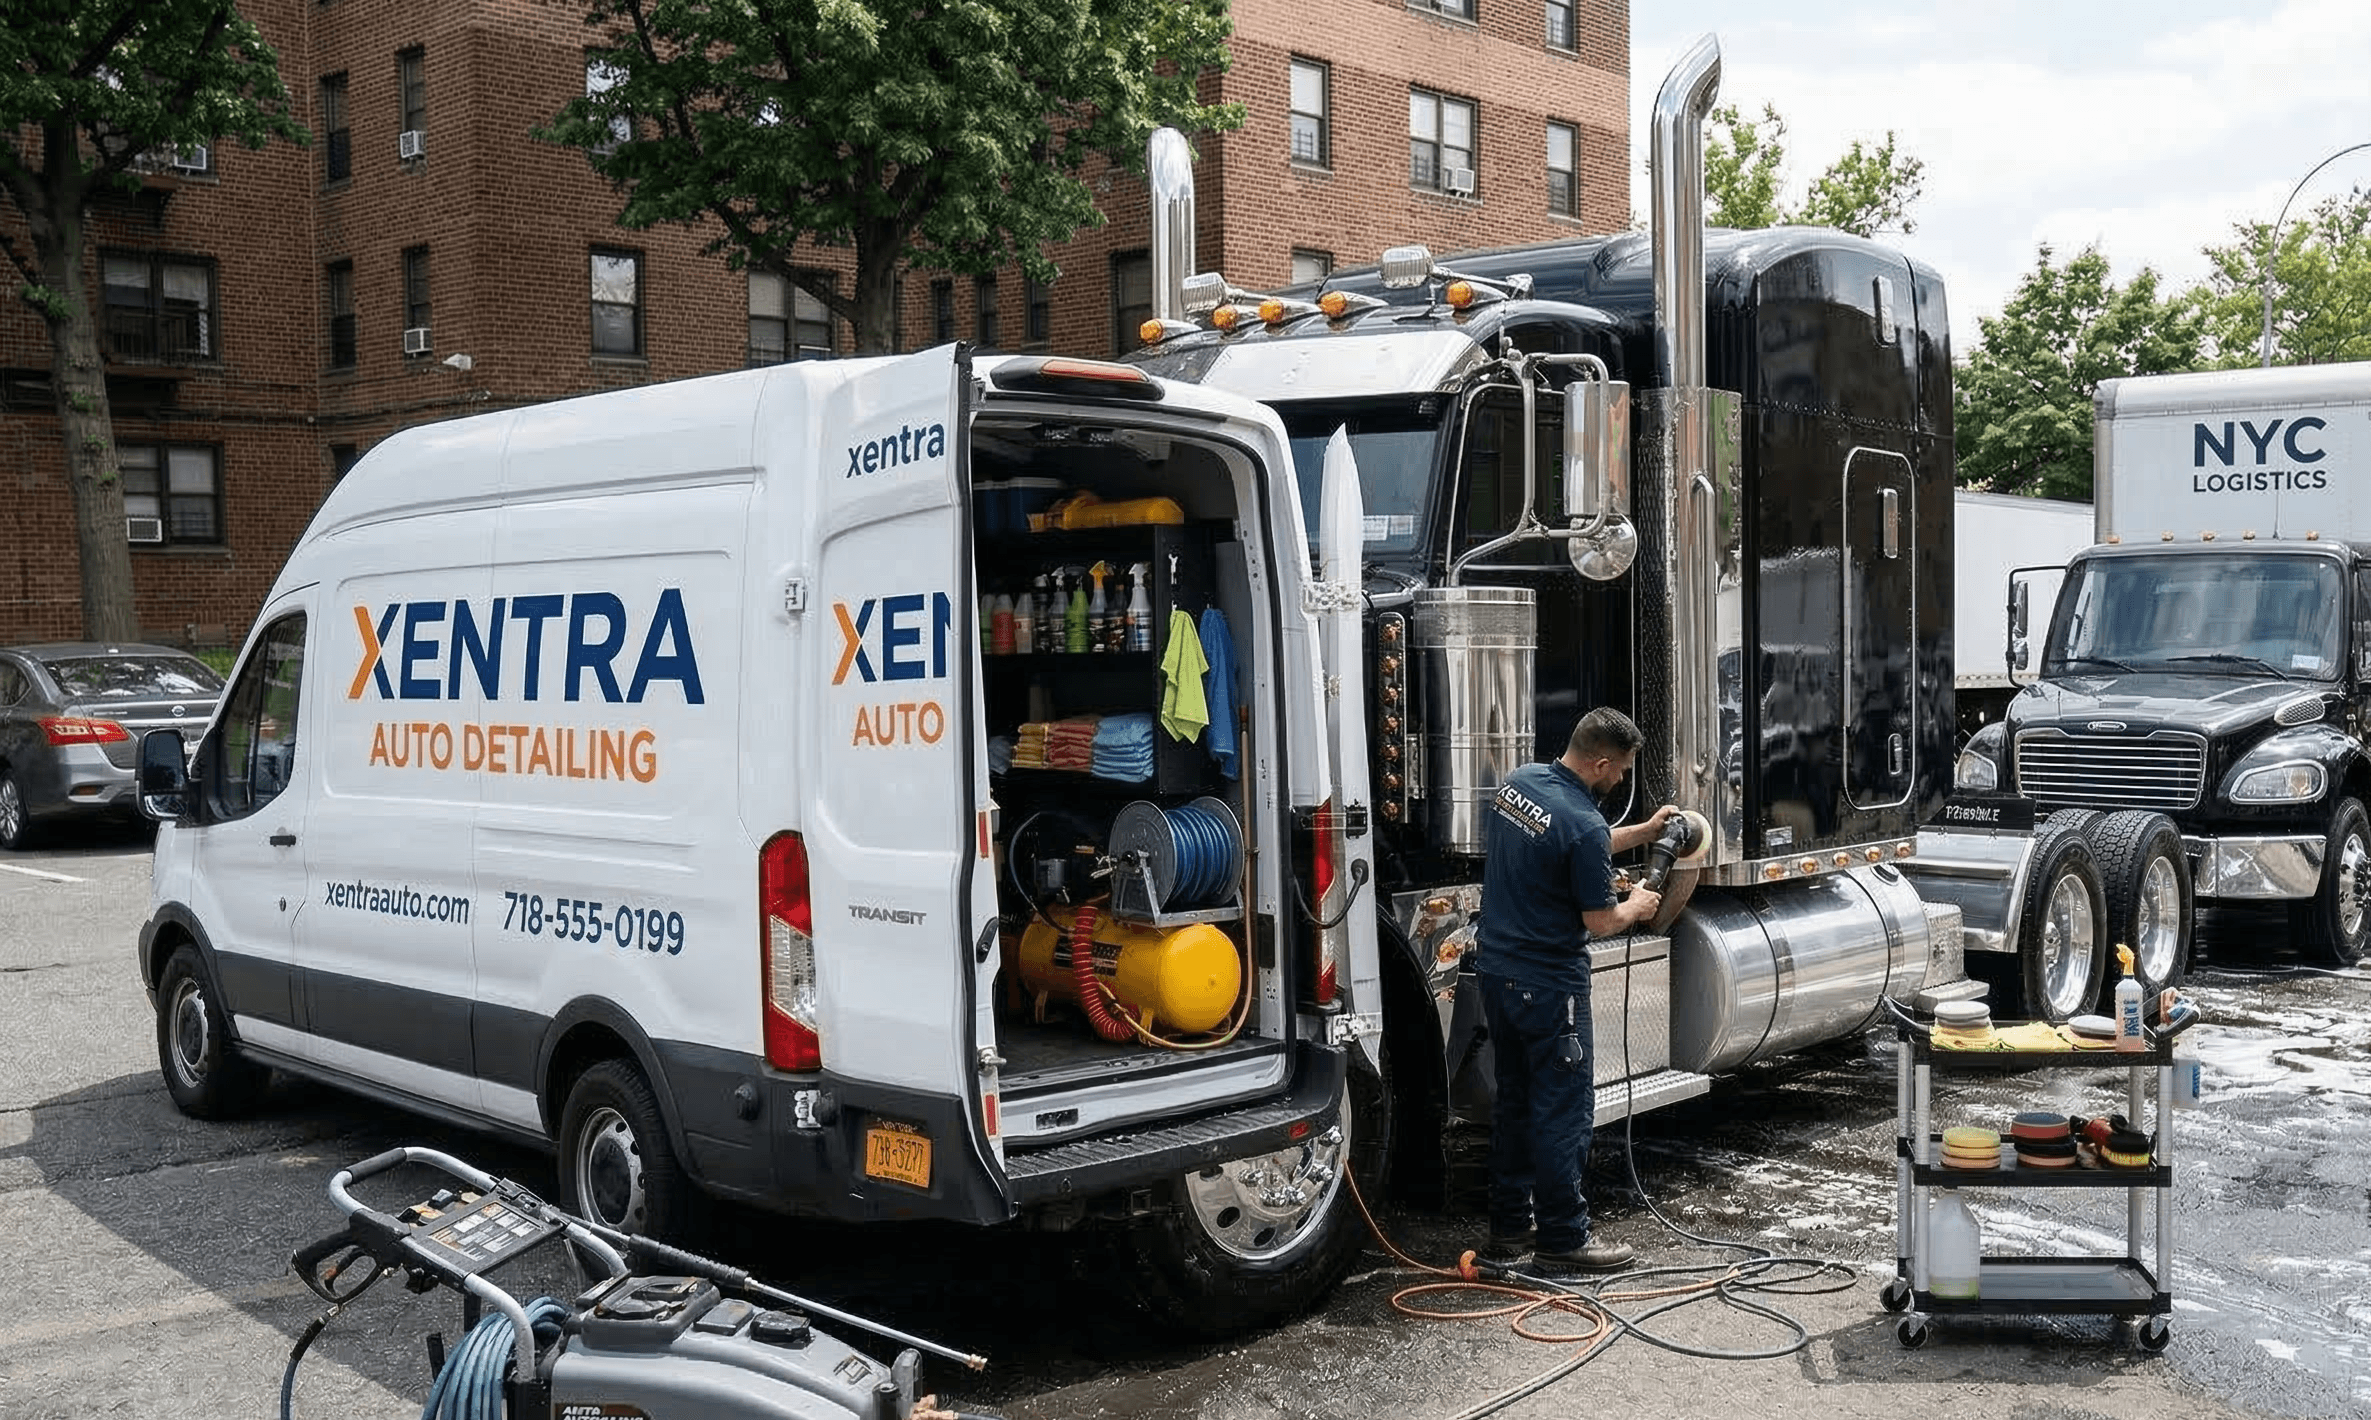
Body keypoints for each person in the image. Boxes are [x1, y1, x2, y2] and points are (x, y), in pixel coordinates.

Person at [1474, 707, 1676, 1274]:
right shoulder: (1583, 823)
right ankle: (1564, 1236)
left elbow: (1568, 841)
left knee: (1513, 1102)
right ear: (1602, 763)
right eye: (1622, 772)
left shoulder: (1522, 783)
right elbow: (1598, 920)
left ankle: (1509, 1229)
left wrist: (1643, 833)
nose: (1621, 782)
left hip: (1497, 973)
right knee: (1562, 1111)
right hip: (1548, 986)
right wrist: (1634, 906)